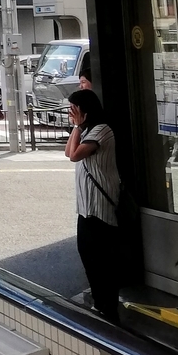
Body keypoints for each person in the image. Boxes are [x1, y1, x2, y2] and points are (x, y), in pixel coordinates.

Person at [66, 88, 123, 322]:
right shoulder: (87, 129)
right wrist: (77, 127)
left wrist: (78, 126)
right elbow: (68, 152)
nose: (71, 113)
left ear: (85, 110)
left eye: (74, 109)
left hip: (100, 207)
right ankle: (100, 302)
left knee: (103, 260)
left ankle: (108, 306)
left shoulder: (102, 130)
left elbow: (76, 155)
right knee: (88, 254)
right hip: (86, 207)